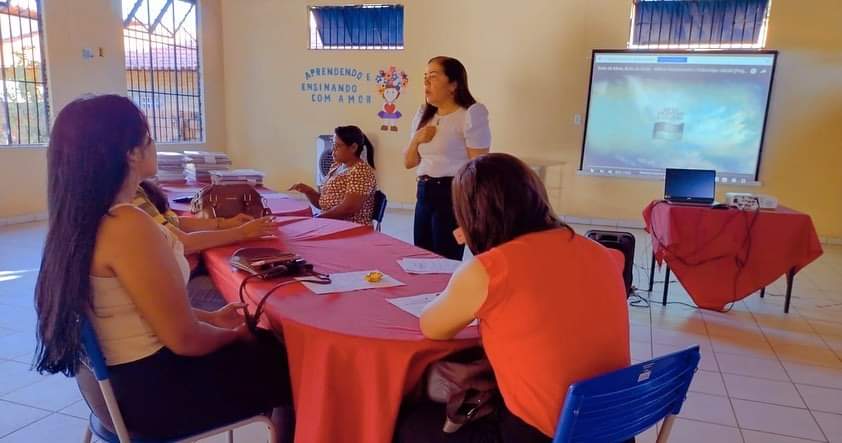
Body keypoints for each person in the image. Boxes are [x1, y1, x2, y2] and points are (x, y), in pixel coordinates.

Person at [33, 95, 292, 441]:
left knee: (263, 349)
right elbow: (186, 341)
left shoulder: (76, 221)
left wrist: (210, 318)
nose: (154, 147)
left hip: (118, 392)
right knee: (290, 362)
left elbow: (134, 309)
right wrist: (233, 336)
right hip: (153, 397)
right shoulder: (127, 225)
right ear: (130, 153)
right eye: (149, 139)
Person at [395, 153, 630, 443]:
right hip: (616, 424)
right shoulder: (598, 253)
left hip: (544, 432)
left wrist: (476, 248)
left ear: (471, 215)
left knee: (407, 423)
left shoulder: (492, 268)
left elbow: (432, 327)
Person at [134, 180, 281, 310]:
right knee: (259, 302)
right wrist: (241, 232)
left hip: (184, 275)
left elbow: (172, 222)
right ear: (133, 154)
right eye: (149, 146)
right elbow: (183, 244)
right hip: (179, 288)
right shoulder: (133, 197)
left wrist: (224, 223)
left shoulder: (135, 190)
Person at [403, 56, 491, 261]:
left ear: (453, 84)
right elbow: (409, 162)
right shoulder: (423, 114)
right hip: (424, 193)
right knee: (421, 258)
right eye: (425, 77)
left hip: (452, 195)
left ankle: (448, 294)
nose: (426, 82)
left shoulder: (470, 114)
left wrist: (470, 210)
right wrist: (416, 139)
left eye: (433, 77)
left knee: (445, 260)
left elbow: (478, 169)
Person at [289, 125, 377, 225]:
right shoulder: (337, 165)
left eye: (338, 146)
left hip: (351, 228)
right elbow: (325, 203)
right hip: (331, 222)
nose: (333, 149)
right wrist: (308, 191)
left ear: (353, 147)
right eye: (333, 145)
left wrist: (318, 218)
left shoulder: (361, 172)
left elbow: (349, 208)